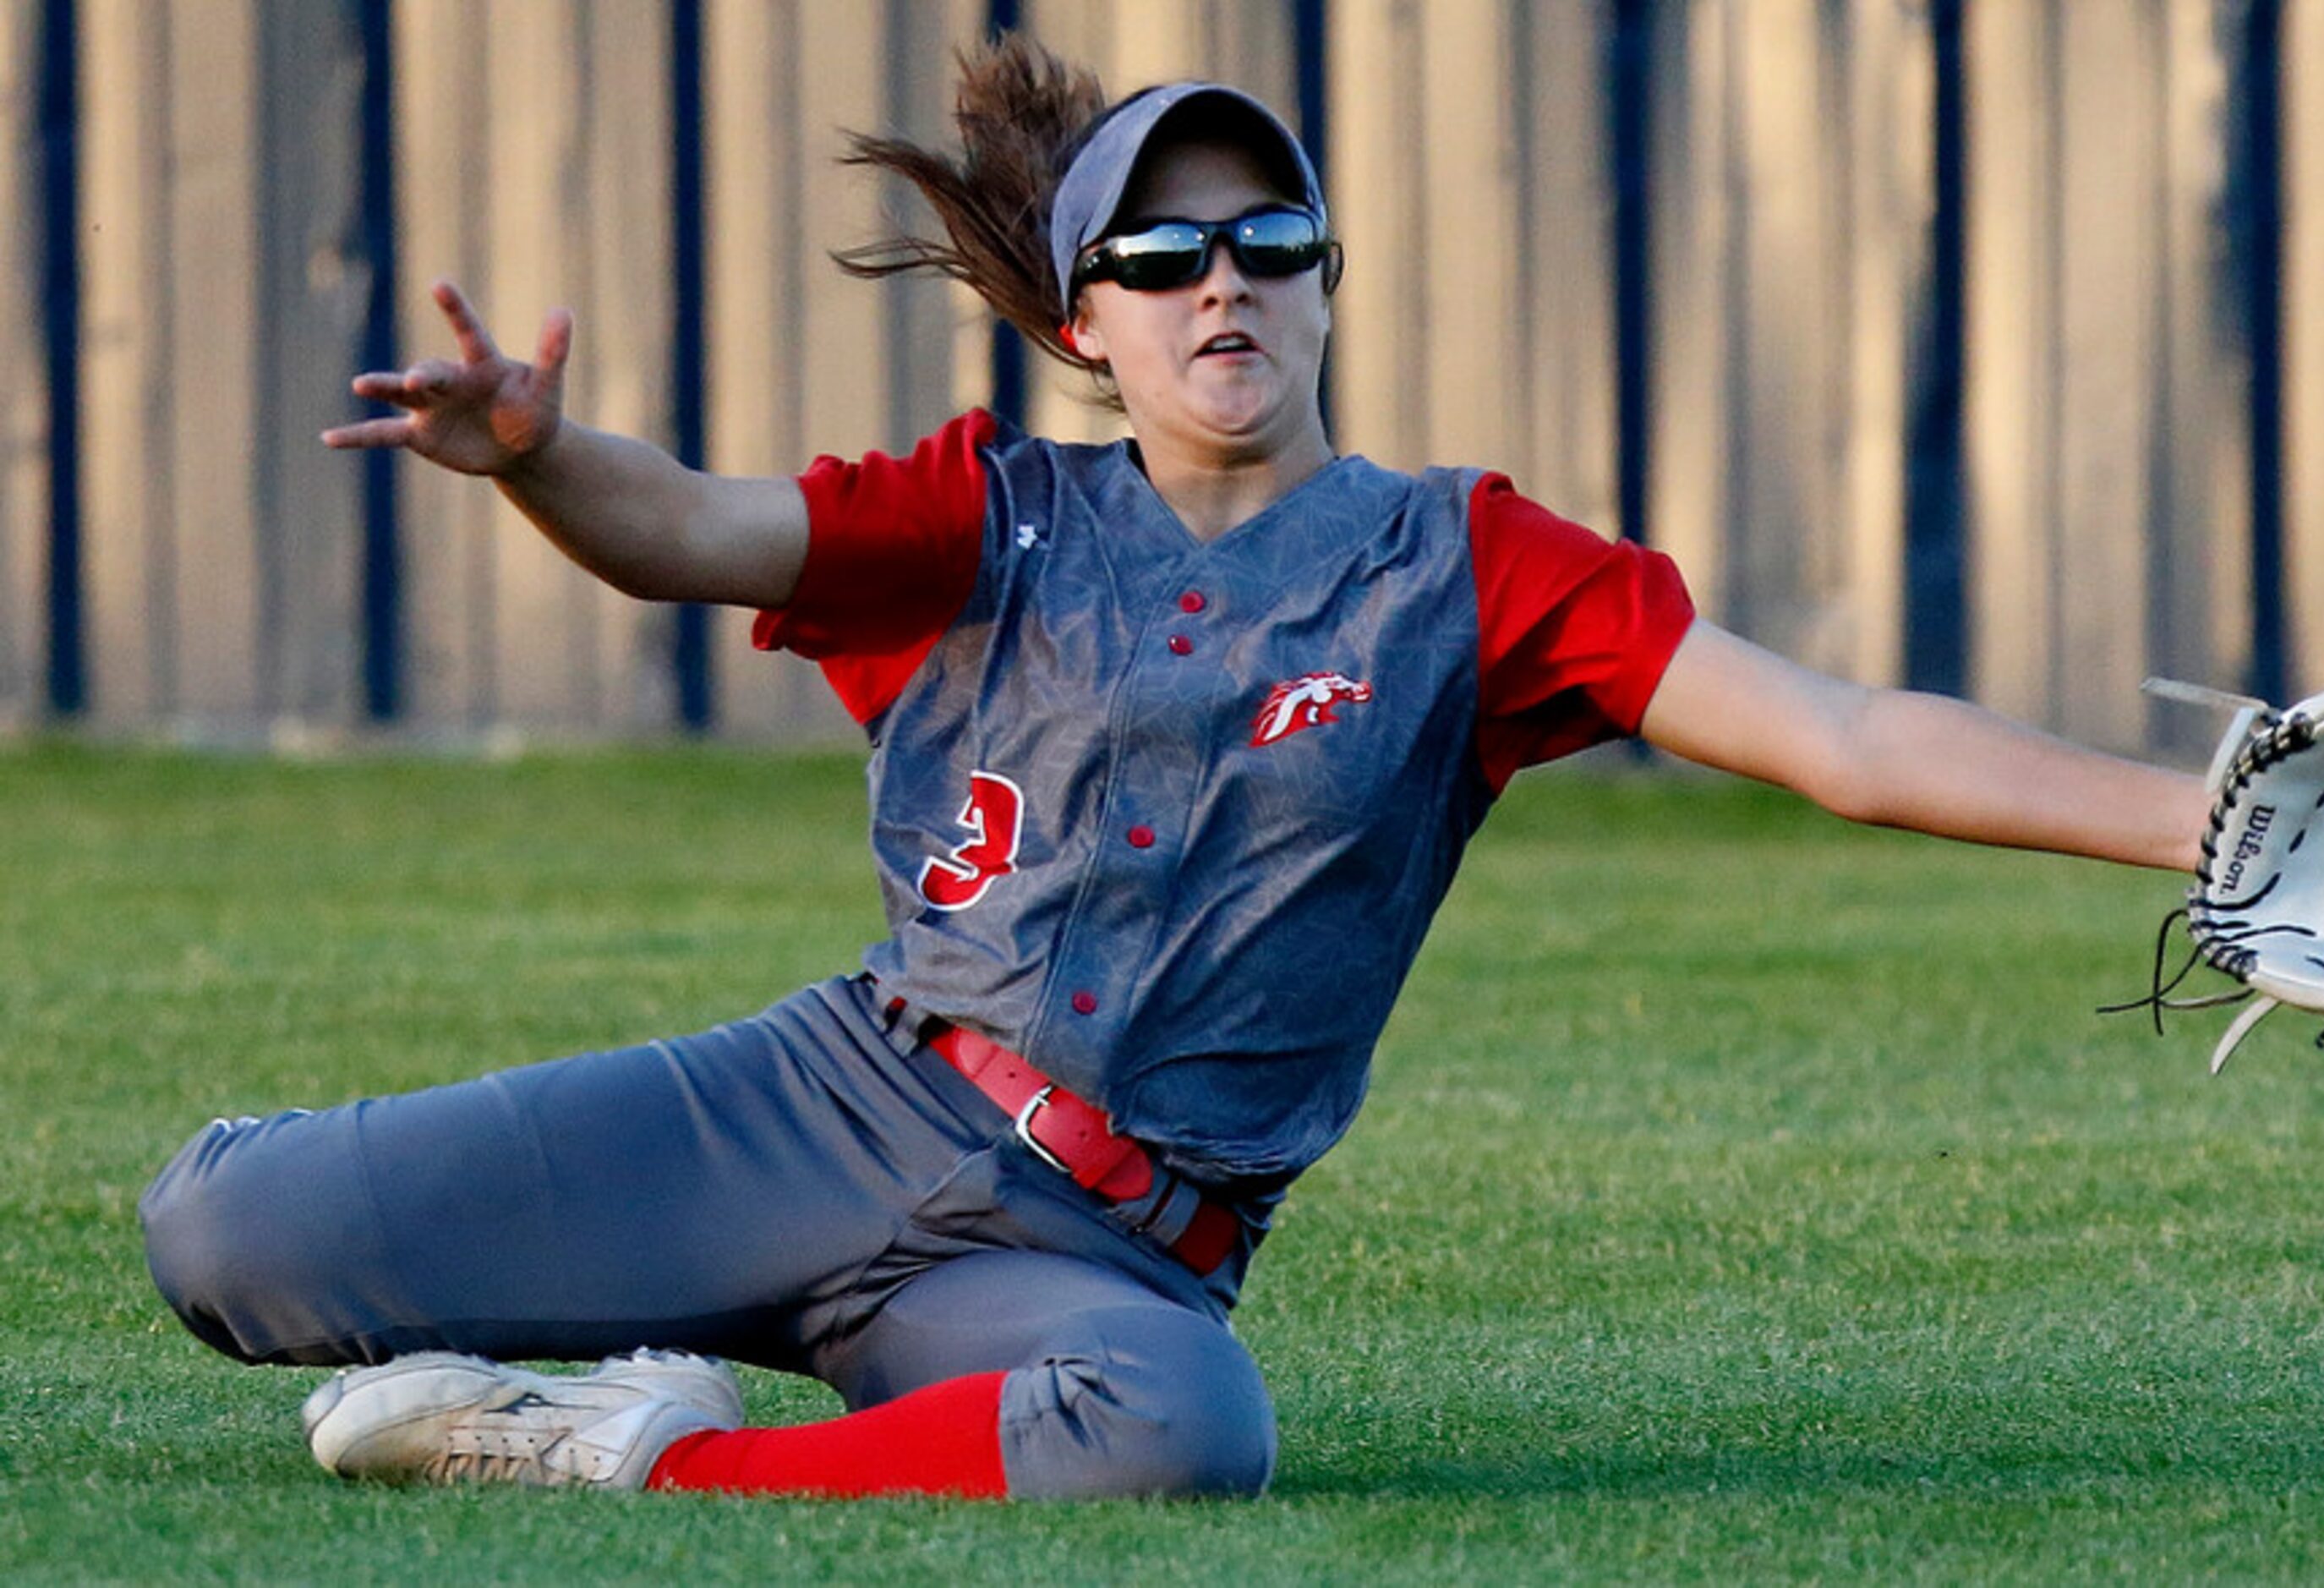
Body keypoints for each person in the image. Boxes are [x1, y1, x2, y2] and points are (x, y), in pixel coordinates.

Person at [138, 36, 2207, 1500]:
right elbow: (687, 529)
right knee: (221, 1237)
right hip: (839, 1097)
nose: (1221, 278)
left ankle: (627, 1442)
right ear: (1080, 328)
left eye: (1267, 238)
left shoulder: (1465, 568)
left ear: (1320, 283)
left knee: (1177, 1431)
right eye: (1157, 255)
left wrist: (2201, 821)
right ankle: (604, 1299)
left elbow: (1843, 740)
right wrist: (537, 459)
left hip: (1092, 1257)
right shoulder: (987, 514)